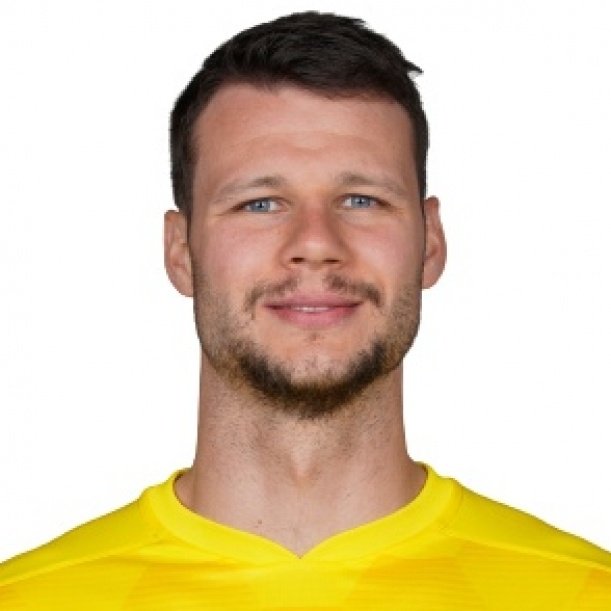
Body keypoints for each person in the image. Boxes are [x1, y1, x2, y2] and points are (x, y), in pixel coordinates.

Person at [1, 10, 610, 609]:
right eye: (261, 204)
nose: (316, 243)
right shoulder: (29, 598)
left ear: (431, 243)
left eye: (361, 199)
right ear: (180, 252)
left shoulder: (583, 592)